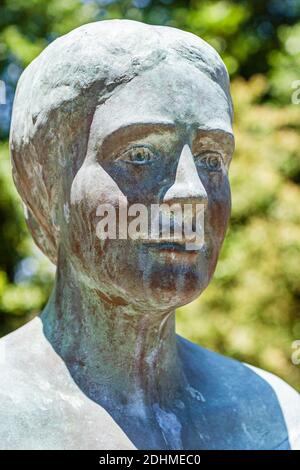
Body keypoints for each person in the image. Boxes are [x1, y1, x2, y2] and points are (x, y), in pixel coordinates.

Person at [1, 19, 299, 450]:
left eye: (212, 159)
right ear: (47, 187)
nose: (192, 192)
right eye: (140, 154)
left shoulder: (274, 418)